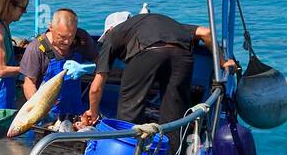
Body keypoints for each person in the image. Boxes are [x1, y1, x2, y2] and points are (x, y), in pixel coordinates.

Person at [85, 12, 238, 128]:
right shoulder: (159, 23)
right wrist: (222, 62)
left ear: (110, 29)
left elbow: (96, 86)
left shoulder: (114, 34)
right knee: (175, 113)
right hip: (182, 55)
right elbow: (206, 32)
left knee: (129, 109)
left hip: (147, 53)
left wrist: (93, 111)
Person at [18, 8, 98, 120]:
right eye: (62, 36)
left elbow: (98, 62)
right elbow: (29, 84)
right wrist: (39, 110)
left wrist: (88, 68)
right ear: (51, 27)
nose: (67, 42)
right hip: (48, 114)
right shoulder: (36, 48)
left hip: (75, 112)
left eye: (71, 36)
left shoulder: (82, 38)